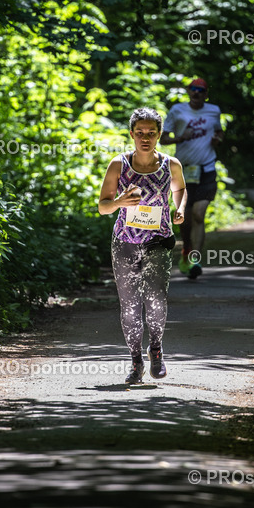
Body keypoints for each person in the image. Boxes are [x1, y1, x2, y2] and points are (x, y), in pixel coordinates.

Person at [98, 108, 187, 384]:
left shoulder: (171, 165)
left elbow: (180, 189)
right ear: (131, 134)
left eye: (151, 133)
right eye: (140, 133)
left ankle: (156, 349)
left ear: (160, 134)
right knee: (130, 305)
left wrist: (179, 208)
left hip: (158, 241)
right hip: (124, 242)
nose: (145, 138)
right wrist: (118, 204)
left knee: (156, 299)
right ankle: (136, 361)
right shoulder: (119, 165)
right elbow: (102, 206)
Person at [161, 77, 224, 279]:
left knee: (198, 214)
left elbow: (220, 132)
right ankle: (186, 249)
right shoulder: (177, 110)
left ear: (206, 94)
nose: (196, 93)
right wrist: (179, 138)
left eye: (201, 90)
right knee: (184, 218)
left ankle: (196, 259)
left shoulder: (213, 111)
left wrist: (217, 139)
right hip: (182, 171)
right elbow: (163, 138)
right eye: (193, 89)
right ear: (188, 92)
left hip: (206, 169)